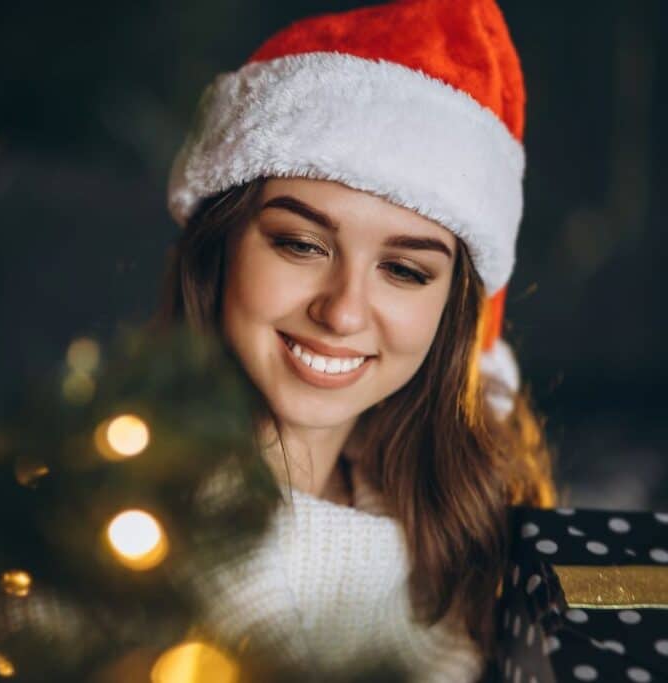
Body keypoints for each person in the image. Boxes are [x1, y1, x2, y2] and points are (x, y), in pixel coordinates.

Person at [157, 0, 557, 680]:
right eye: (301, 244)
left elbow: (626, 603)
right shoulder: (109, 515)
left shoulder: (473, 528)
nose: (342, 312)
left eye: (404, 270)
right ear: (220, 246)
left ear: (452, 310)